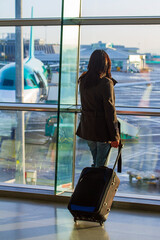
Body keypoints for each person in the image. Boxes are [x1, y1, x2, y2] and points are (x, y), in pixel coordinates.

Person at [76, 49, 120, 167]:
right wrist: (115, 136)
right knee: (101, 167)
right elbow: (109, 111)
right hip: (102, 132)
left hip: (88, 129)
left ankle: (92, 184)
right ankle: (96, 185)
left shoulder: (83, 80)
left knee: (97, 163)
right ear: (106, 64)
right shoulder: (105, 82)